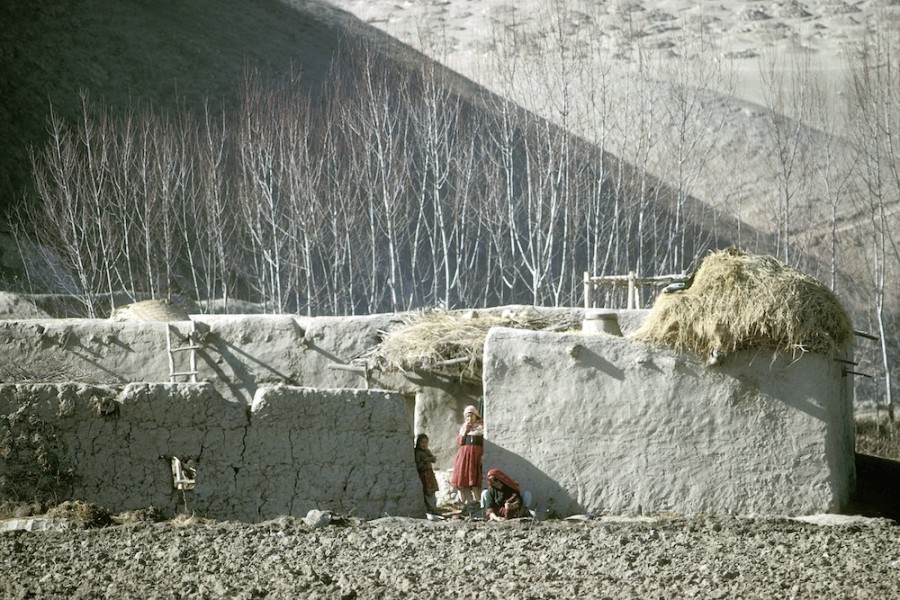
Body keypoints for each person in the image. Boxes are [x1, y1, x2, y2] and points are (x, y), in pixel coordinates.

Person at [449, 404, 484, 508]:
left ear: (476, 415)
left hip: (476, 455)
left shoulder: (481, 426)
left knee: (475, 479)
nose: (469, 418)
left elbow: (484, 442)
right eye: (467, 416)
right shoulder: (464, 427)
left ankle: (479, 502)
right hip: (465, 455)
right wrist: (465, 431)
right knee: (464, 477)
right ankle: (468, 503)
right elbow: (460, 442)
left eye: (471, 415)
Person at [414, 433, 439, 513]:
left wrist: (431, 458)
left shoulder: (427, 451)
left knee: (432, 492)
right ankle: (430, 509)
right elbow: (418, 465)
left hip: (429, 474)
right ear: (418, 442)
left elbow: (433, 460)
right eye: (422, 442)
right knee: (427, 492)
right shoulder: (418, 452)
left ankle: (433, 508)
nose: (424, 444)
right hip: (423, 475)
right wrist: (426, 460)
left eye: (426, 442)